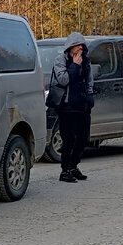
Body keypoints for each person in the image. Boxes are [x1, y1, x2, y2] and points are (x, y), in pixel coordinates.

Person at [47, 32, 94, 183]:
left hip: (82, 105)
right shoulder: (60, 60)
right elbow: (63, 79)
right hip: (66, 106)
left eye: (82, 46)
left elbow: (89, 80)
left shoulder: (86, 61)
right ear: (70, 47)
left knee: (83, 138)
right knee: (68, 139)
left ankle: (74, 166)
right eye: (77, 46)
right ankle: (65, 170)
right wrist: (74, 65)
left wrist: (90, 96)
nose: (80, 49)